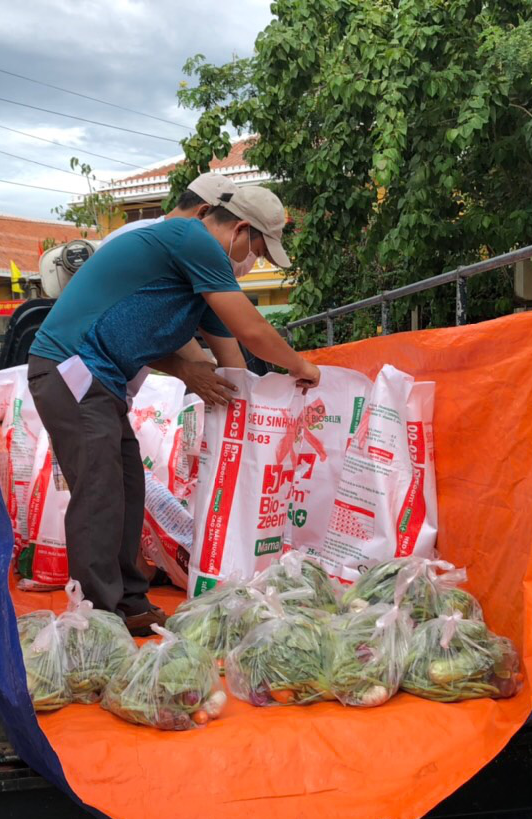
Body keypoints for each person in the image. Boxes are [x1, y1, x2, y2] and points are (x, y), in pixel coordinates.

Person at [28, 185, 320, 632]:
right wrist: (304, 369)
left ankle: (127, 602)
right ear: (240, 229)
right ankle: (96, 620)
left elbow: (232, 363)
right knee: (100, 493)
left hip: (98, 381)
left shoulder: (194, 279)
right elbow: (254, 330)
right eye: (257, 250)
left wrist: (250, 430)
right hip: (71, 370)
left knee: (126, 489)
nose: (253, 263)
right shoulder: (193, 241)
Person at [101, 171, 254, 403]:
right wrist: (190, 370)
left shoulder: (190, 260)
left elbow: (230, 358)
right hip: (87, 381)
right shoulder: (141, 241)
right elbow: (133, 329)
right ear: (204, 214)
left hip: (114, 392)